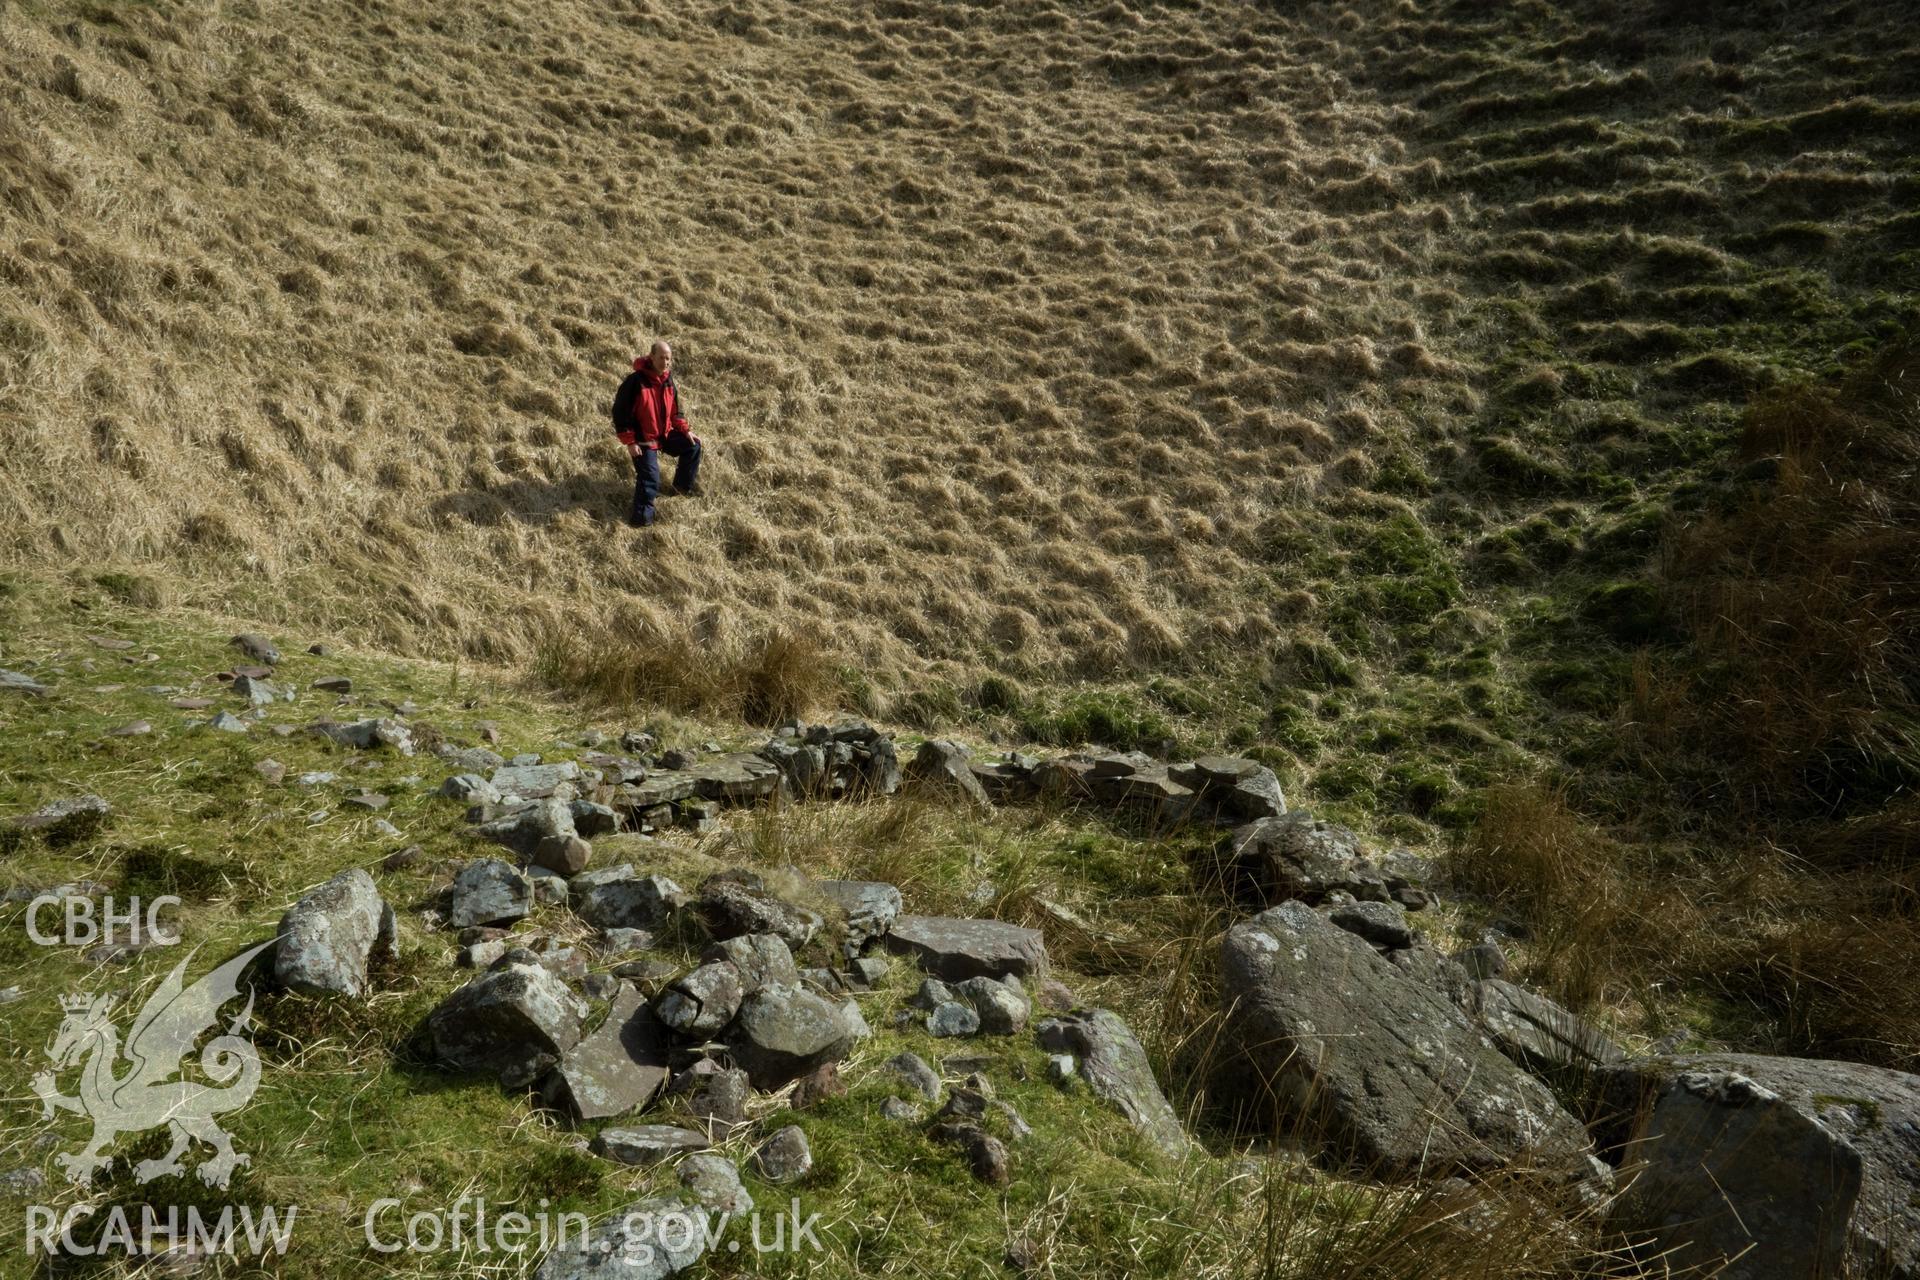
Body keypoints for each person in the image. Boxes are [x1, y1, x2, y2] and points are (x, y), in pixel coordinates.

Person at [610, 340, 702, 527]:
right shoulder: (635, 382)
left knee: (693, 446)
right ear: (651, 357)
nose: (665, 362)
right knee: (651, 479)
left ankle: (681, 489)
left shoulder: (668, 380)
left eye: (668, 359)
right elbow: (620, 412)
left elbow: (676, 411)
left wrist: (686, 431)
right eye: (661, 358)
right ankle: (641, 521)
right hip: (643, 441)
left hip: (665, 435)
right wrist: (630, 441)